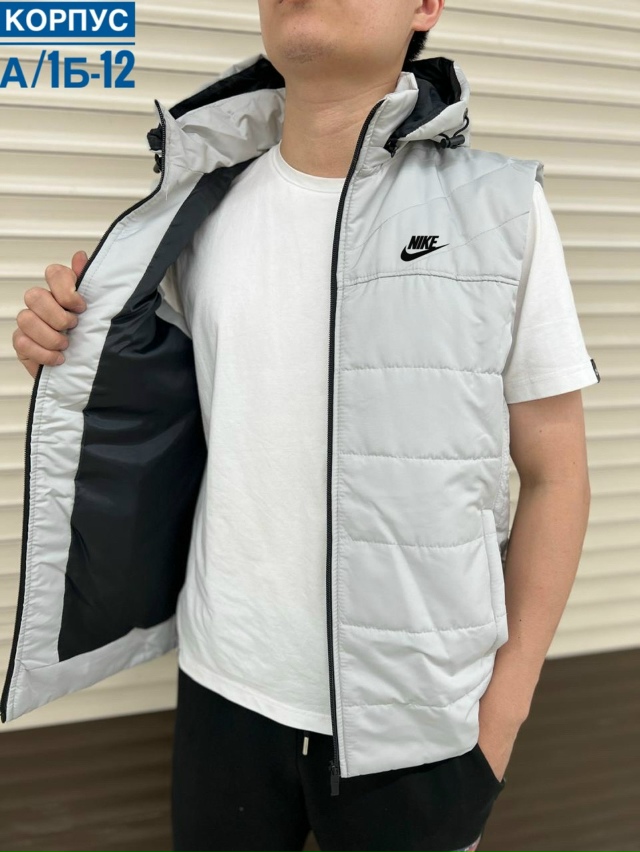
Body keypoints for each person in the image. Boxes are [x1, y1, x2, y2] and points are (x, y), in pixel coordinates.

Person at [8, 1, 601, 850]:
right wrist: (62, 347)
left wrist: (500, 718)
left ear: (426, 6)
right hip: (222, 695)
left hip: (423, 721)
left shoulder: (502, 207)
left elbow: (557, 475)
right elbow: (156, 414)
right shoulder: (193, 212)